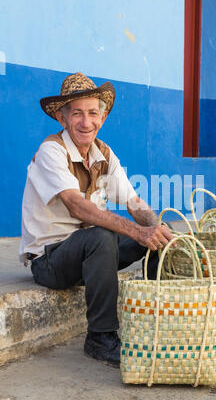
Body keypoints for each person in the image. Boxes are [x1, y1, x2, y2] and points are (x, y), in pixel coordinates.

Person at [19, 72, 173, 368]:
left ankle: (161, 317)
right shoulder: (52, 150)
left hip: (89, 255)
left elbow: (133, 202)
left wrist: (154, 226)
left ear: (102, 119)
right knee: (101, 237)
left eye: (92, 113)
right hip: (50, 261)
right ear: (62, 119)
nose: (85, 122)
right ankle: (100, 338)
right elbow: (78, 207)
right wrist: (138, 232)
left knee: (159, 237)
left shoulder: (103, 153)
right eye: (76, 113)